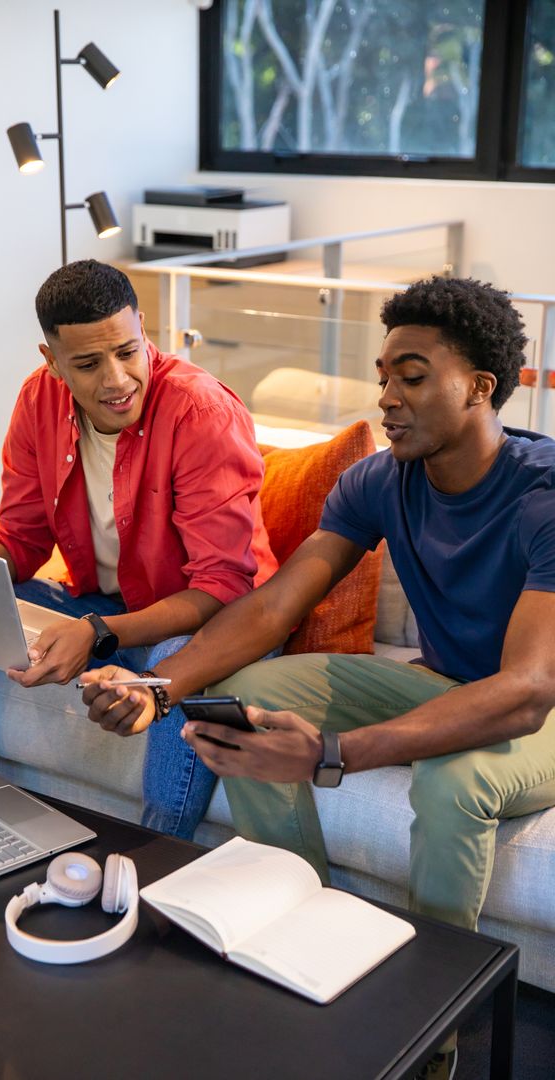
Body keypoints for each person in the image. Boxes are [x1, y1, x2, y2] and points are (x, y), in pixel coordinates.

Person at [83, 274, 555, 977]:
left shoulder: (543, 495)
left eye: (413, 378)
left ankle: (437, 1010)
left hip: (541, 712)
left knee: (451, 782)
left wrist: (331, 753)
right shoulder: (379, 480)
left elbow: (527, 690)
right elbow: (274, 607)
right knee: (245, 697)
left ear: (480, 388)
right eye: (384, 377)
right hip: (446, 686)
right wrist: (157, 687)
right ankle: (301, 938)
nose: (387, 397)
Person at [0, 259, 278, 840]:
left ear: (142, 327)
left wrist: (97, 633)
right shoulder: (39, 400)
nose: (117, 380)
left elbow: (222, 584)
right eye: (87, 364)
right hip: (102, 608)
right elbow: (21, 535)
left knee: (173, 663)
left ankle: (160, 850)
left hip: (209, 621)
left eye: (128, 352)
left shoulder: (200, 412)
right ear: (52, 360)